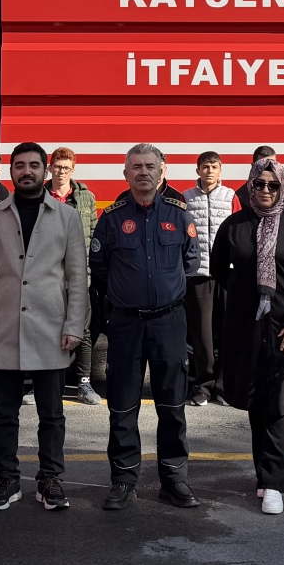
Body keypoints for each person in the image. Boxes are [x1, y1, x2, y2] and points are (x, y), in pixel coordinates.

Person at [0, 142, 90, 511]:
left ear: (46, 170)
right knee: (4, 412)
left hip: (52, 330)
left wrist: (75, 325)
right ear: (11, 172)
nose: (27, 171)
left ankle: (50, 479)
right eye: (20, 165)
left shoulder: (66, 216)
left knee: (51, 413)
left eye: (34, 165)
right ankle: (7, 480)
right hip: (3, 328)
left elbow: (76, 277)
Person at [89, 144, 200, 509]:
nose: (143, 172)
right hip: (126, 324)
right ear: (125, 174)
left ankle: (174, 480)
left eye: (150, 166)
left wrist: (163, 291)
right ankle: (123, 480)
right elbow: (100, 269)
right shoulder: (112, 217)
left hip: (169, 321)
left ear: (162, 171)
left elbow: (191, 260)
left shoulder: (179, 214)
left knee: (172, 405)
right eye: (135, 167)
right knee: (122, 405)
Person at [212, 156, 284, 514]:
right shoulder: (234, 225)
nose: (266, 191)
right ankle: (262, 475)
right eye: (260, 184)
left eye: (273, 185)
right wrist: (246, 297)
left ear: (282, 187)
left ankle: (275, 481)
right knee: (256, 402)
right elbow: (219, 268)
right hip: (246, 327)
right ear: (250, 184)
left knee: (280, 403)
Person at [46, 147, 103, 406]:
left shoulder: (86, 198)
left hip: (79, 276)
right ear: (50, 168)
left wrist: (88, 271)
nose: (61, 171)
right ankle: (42, 383)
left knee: (83, 331)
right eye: (57, 166)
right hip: (46, 278)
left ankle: (83, 383)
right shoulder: (39, 195)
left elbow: (92, 236)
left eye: (66, 167)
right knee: (43, 329)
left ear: (73, 169)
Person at [183, 149, 240, 405]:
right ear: (197, 171)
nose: (209, 171)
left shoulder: (231, 197)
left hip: (226, 274)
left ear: (220, 171)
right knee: (202, 335)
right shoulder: (186, 198)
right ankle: (202, 386)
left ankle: (224, 386)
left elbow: (240, 235)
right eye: (204, 167)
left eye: (214, 167)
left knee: (228, 332)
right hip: (199, 275)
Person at [234, 146, 279, 212]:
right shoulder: (240, 196)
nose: (268, 168)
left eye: (272, 164)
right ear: (253, 166)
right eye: (262, 165)